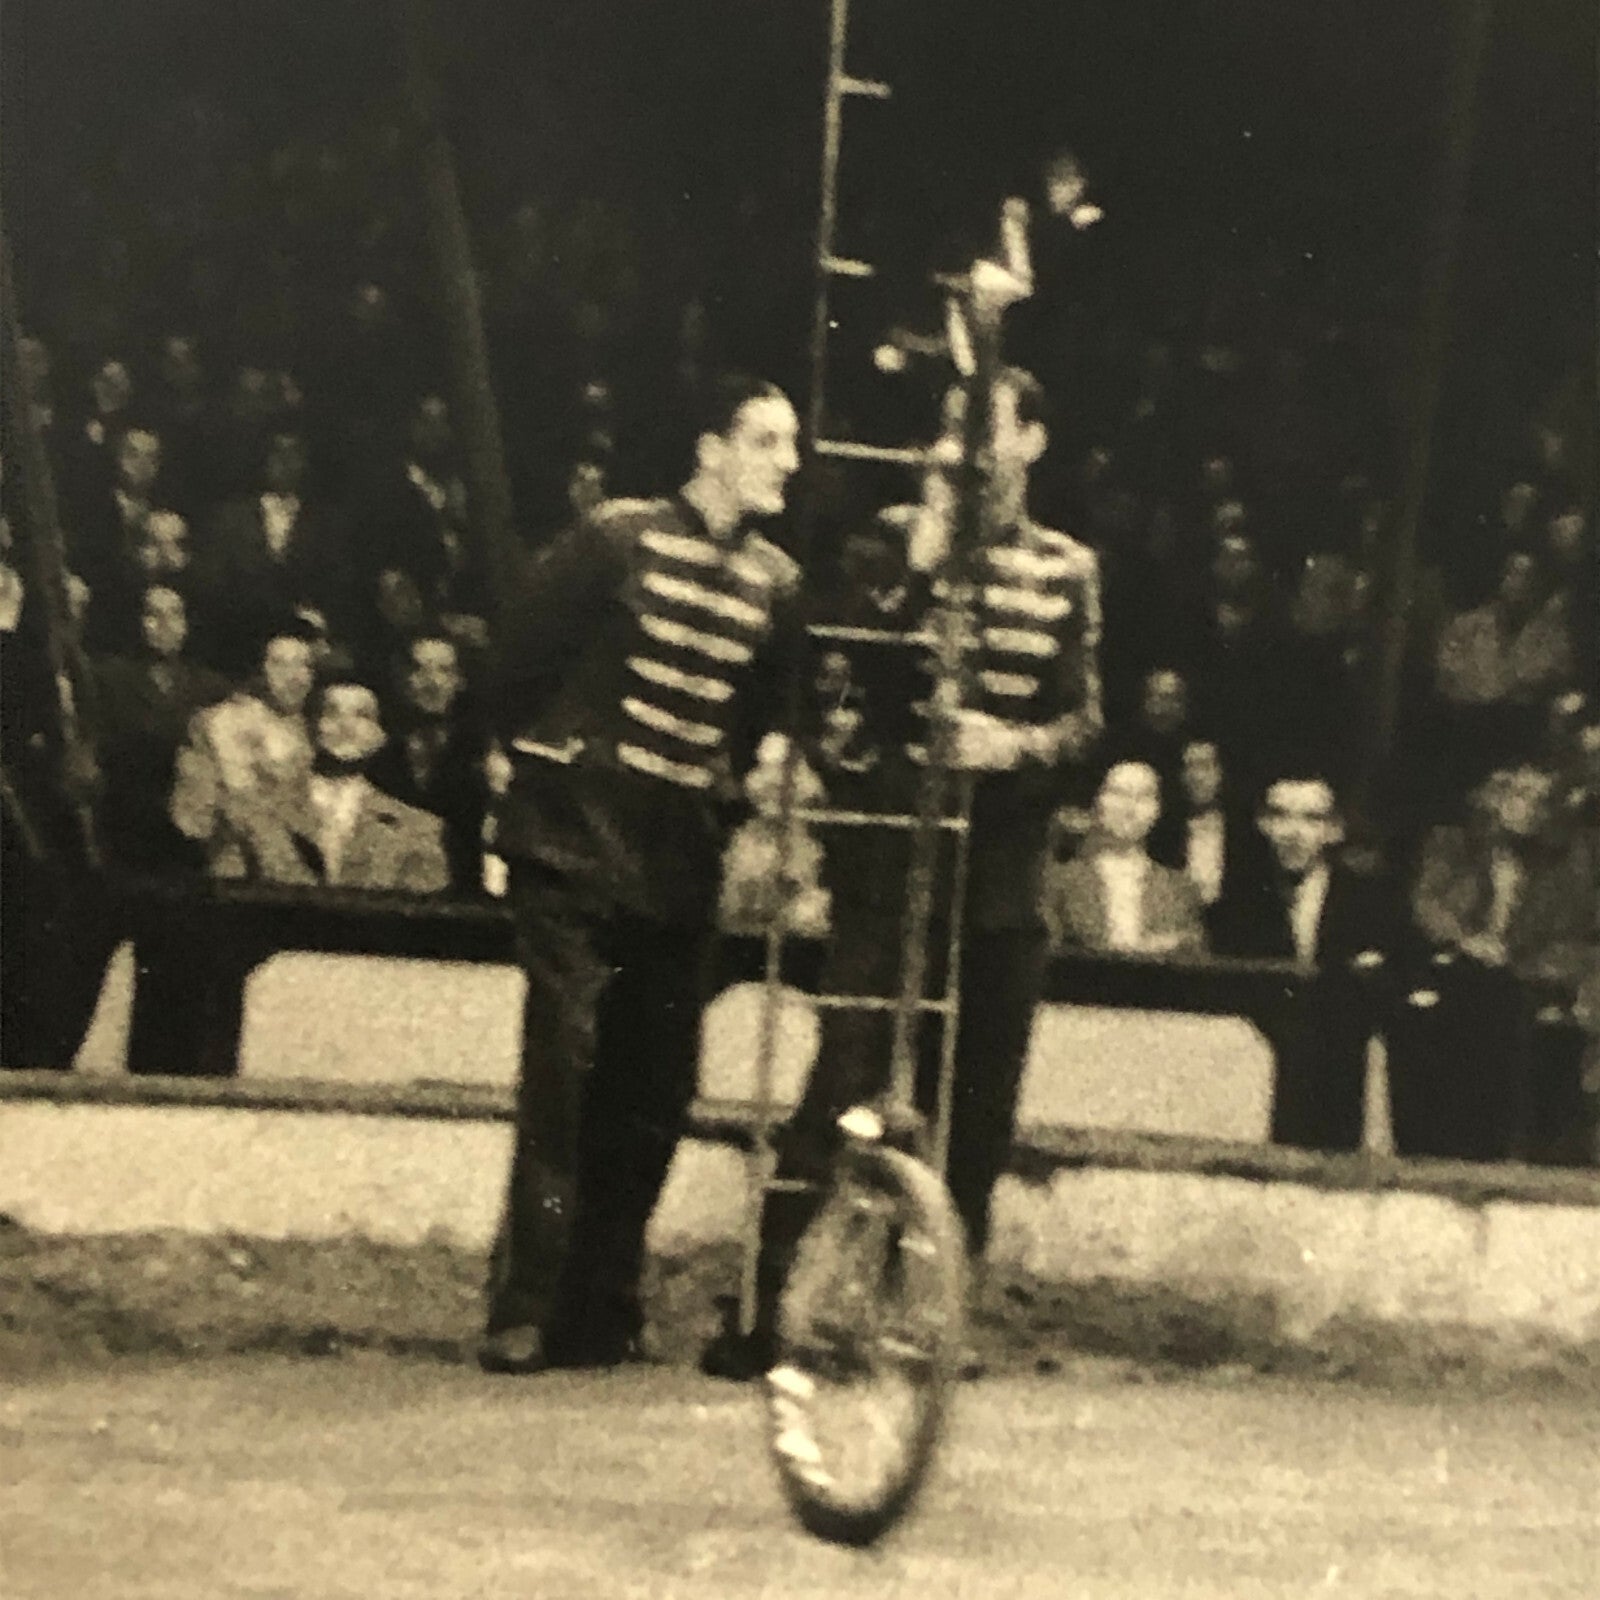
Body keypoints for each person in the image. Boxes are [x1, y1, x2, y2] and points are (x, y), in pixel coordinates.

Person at [702, 362, 1102, 1379]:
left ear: (1030, 443)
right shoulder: (890, 541)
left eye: (985, 431)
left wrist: (1009, 746)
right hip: (892, 866)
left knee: (972, 1115)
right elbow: (838, 678)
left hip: (1003, 879)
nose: (960, 451)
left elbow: (1084, 721)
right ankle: (767, 1309)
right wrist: (919, 571)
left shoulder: (1065, 569)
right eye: (949, 432)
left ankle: (921, 1323)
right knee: (844, 1083)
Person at [478, 372, 805, 1375]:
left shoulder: (778, 584)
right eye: (765, 440)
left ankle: (603, 1300)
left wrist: (761, 776)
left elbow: (762, 720)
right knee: (564, 1077)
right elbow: (512, 664)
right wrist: (538, 765)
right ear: (711, 448)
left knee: (655, 1091)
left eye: (789, 443)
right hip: (575, 839)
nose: (785, 462)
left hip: (677, 861)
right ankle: (525, 1305)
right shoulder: (614, 539)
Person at [1390, 766, 1598, 1162]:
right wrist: (1467, 941)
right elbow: (1427, 904)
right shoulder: (1454, 845)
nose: (1530, 809)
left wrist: (1527, 963)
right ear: (1492, 795)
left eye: (1542, 800)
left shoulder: (1562, 863)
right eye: (1519, 795)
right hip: (1453, 975)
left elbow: (1574, 932)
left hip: (1519, 988)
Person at [1211, 776, 1397, 1152]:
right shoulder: (1238, 905)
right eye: (1281, 817)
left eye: (1311, 819)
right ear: (1263, 824)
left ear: (1334, 830)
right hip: (1255, 1075)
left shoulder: (1370, 902)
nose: (1294, 833)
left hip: (1343, 1078)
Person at [229, 670, 450, 893]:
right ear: (311, 726)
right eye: (332, 713)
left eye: (362, 716)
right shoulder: (256, 814)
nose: (346, 725)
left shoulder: (416, 830)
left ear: (381, 735)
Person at [368, 631, 493, 894]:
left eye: (444, 671)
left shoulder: (481, 753)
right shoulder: (378, 751)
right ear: (402, 679)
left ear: (459, 680)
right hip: (390, 894)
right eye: (421, 670)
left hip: (464, 896)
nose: (432, 682)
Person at [1040, 760, 1205, 957]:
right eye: (1118, 793)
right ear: (1098, 802)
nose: (1130, 807)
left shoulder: (1180, 888)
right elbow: (1048, 951)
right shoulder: (1061, 880)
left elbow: (1194, 955)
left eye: (1144, 796)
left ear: (1158, 809)